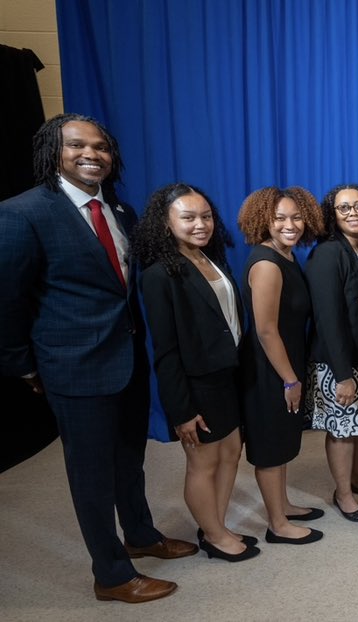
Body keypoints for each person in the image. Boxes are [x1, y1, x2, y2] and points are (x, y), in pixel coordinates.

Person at [0, 114, 196, 603]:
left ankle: (142, 535)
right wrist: (23, 364)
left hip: (126, 359)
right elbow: (7, 299)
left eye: (101, 146)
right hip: (72, 366)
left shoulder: (120, 211)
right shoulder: (22, 213)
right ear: (53, 153)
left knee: (130, 460)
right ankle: (111, 574)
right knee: (90, 473)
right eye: (76, 146)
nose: (92, 154)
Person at [135, 183, 259, 562]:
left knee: (231, 453)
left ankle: (216, 525)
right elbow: (166, 350)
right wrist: (181, 410)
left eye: (205, 216)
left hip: (228, 375)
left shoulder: (211, 261)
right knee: (203, 462)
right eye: (187, 217)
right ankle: (215, 535)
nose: (199, 224)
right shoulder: (159, 275)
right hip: (197, 383)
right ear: (166, 223)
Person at [237, 186, 325, 545]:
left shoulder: (285, 256)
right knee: (271, 445)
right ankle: (277, 524)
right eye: (279, 218)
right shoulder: (267, 264)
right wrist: (290, 379)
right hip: (269, 370)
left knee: (283, 439)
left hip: (285, 366)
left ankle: (283, 504)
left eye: (296, 217)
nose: (290, 225)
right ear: (264, 221)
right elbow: (266, 330)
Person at [305, 184, 358, 521]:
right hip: (338, 360)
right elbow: (328, 318)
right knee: (342, 428)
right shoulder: (328, 253)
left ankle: (357, 478)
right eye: (344, 208)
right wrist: (342, 374)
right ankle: (342, 492)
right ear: (333, 215)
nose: (353, 213)